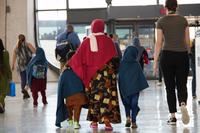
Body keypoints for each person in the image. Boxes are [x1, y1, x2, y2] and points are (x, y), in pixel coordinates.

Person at [68, 19, 121, 131]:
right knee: (107, 98)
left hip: (93, 76)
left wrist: (68, 65)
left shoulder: (87, 41)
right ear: (102, 28)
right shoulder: (108, 40)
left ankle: (94, 121)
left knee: (94, 98)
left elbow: (77, 58)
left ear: (92, 28)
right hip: (107, 76)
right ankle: (107, 122)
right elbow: (115, 59)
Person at [153, 0, 190, 125]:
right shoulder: (183, 20)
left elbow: (158, 43)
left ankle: (173, 117)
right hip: (182, 55)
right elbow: (187, 41)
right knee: (182, 84)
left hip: (167, 55)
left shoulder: (161, 21)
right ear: (177, 7)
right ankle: (183, 103)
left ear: (165, 7)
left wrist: (155, 62)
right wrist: (187, 53)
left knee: (169, 87)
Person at [118, 46, 149, 128]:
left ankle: (131, 120)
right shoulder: (127, 64)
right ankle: (130, 120)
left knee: (129, 104)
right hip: (132, 89)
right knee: (132, 104)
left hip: (128, 89)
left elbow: (120, 78)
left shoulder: (131, 64)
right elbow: (140, 77)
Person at [55, 51, 88, 129]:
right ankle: (76, 123)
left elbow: (61, 85)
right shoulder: (80, 69)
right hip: (78, 94)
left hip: (68, 96)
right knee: (77, 108)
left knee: (69, 107)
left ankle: (70, 121)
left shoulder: (64, 72)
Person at [12, 34, 36, 99]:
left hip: (20, 65)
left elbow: (14, 57)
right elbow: (35, 51)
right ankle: (25, 90)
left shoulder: (16, 46)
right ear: (25, 38)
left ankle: (25, 93)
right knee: (30, 78)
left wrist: (13, 65)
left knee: (23, 79)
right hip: (29, 64)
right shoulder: (28, 44)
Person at [0, 39, 12, 113]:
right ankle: (1, 103)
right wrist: (10, 75)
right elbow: (7, 66)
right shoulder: (5, 53)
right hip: (3, 75)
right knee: (3, 92)